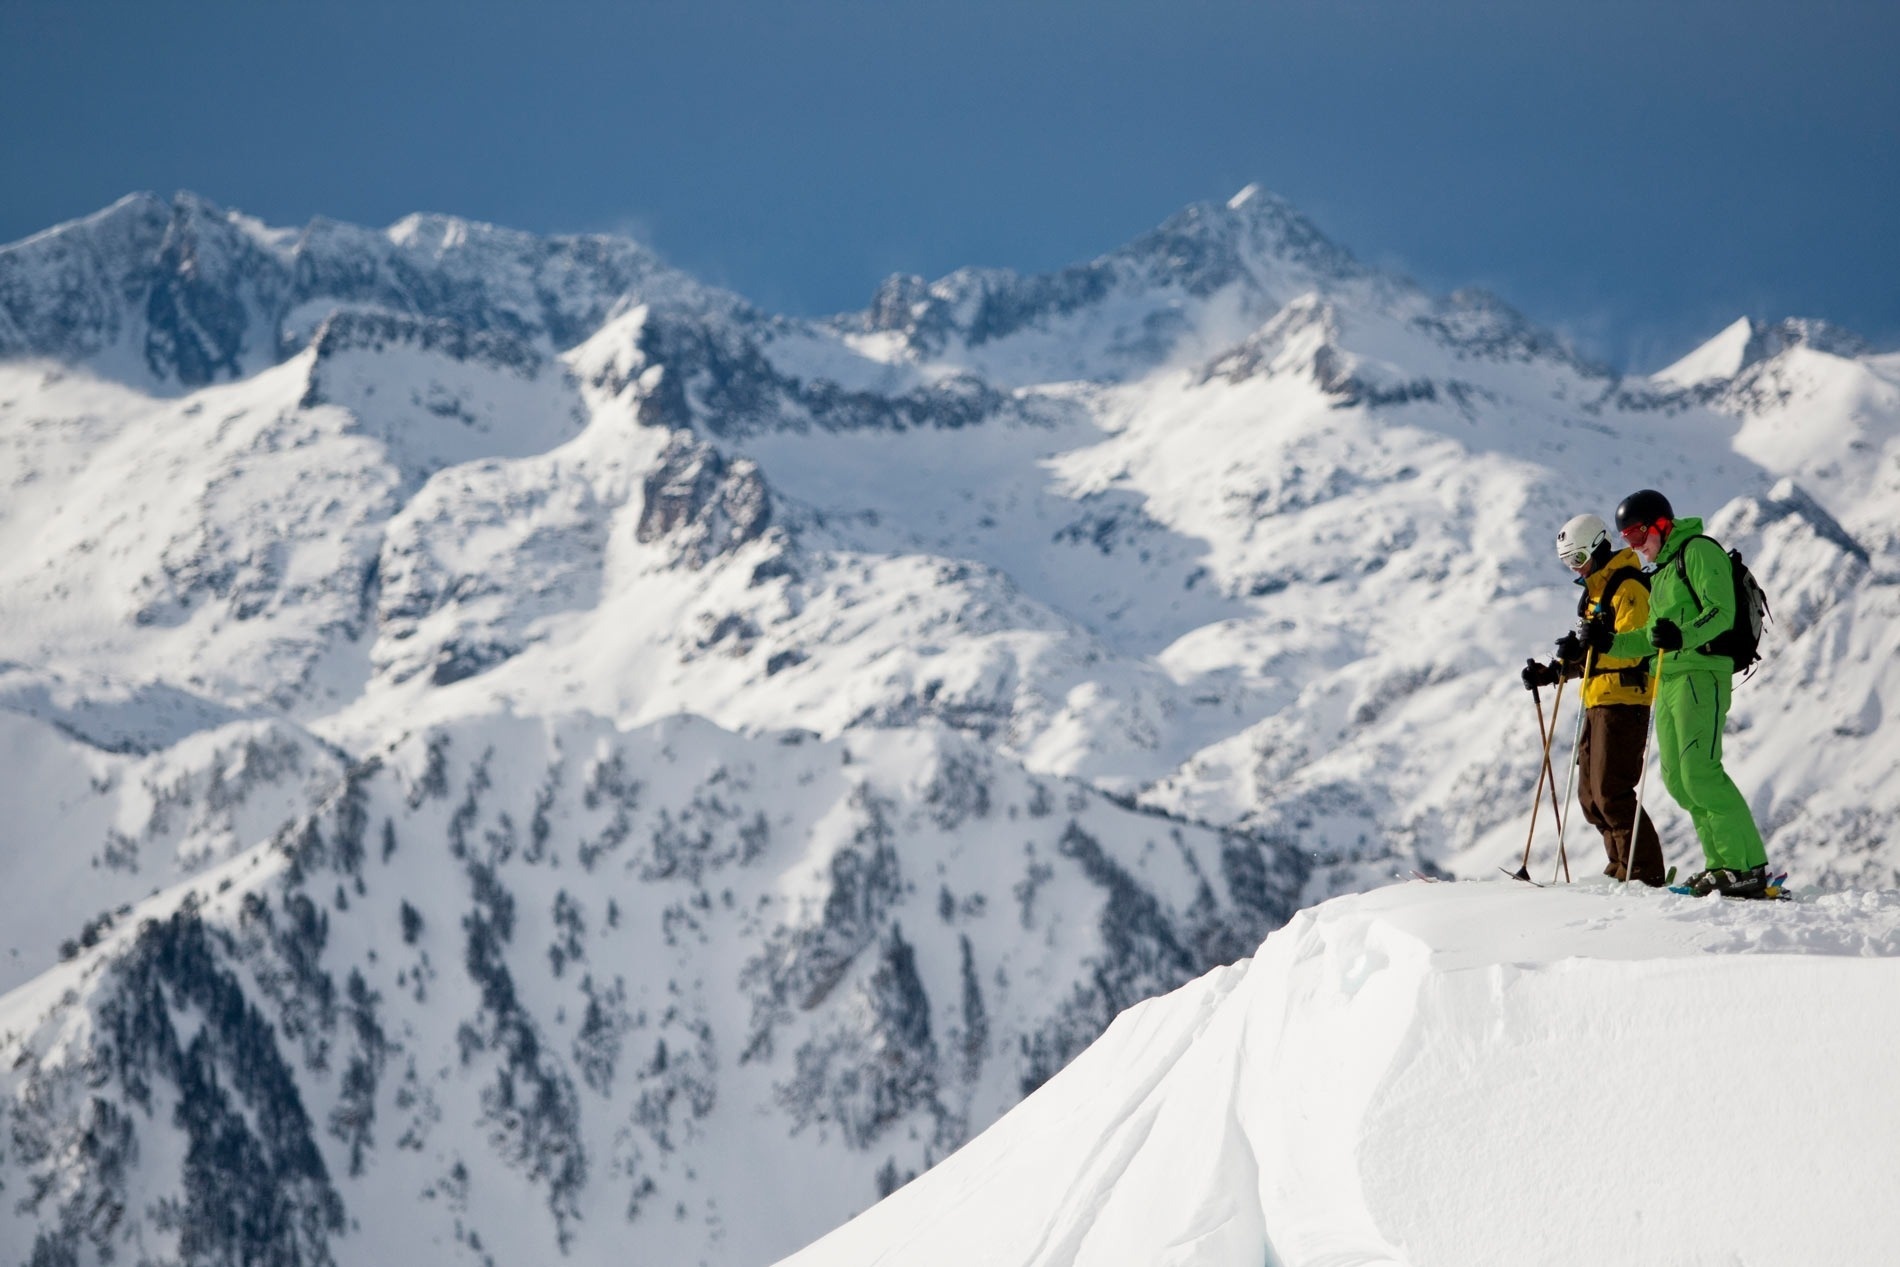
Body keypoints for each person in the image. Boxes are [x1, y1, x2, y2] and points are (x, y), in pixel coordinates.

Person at [1582, 489, 1771, 897]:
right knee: (1678, 780)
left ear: (1661, 525)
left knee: (1701, 771)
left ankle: (1746, 866)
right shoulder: (1663, 573)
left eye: (1637, 534)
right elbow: (1649, 639)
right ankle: (1721, 864)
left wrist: (1682, 634)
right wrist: (1607, 641)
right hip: (1668, 678)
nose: (1634, 546)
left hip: (1700, 674)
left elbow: (1722, 612)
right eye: (1626, 538)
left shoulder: (1698, 552)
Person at [1521, 512, 1667, 886]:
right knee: (1591, 798)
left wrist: (1589, 649)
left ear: (1599, 548)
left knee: (1611, 792)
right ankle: (1620, 868)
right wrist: (1554, 670)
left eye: (1579, 559)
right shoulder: (1597, 593)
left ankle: (1642, 872)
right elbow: (1594, 650)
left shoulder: (1628, 587)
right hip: (1598, 700)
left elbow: (1632, 649)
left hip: (1624, 700)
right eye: (1569, 562)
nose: (1577, 569)